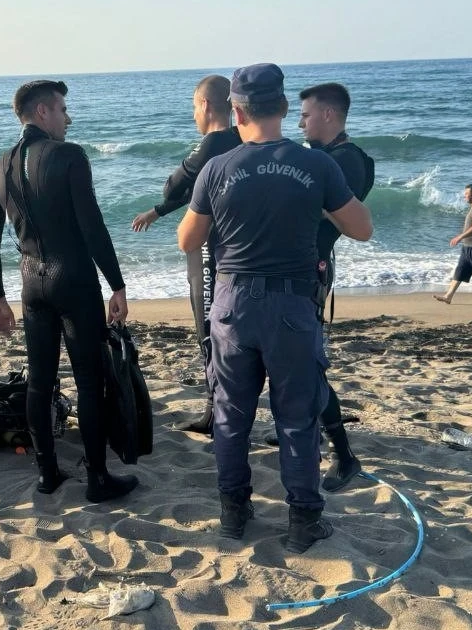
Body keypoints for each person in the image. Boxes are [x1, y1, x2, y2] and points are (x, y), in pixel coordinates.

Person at [177, 64, 372, 552]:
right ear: (284, 108)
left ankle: (233, 512)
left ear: (237, 112)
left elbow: (188, 239)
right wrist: (314, 205)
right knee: (296, 417)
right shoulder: (317, 165)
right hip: (291, 302)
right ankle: (303, 519)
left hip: (233, 303)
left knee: (231, 415)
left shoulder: (217, 168)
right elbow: (362, 228)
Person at [0, 79, 139, 502]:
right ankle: (98, 479)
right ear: (43, 112)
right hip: (74, 278)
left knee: (40, 380)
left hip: (31, 283)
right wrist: (117, 284)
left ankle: (47, 473)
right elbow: (92, 226)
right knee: (88, 380)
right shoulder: (69, 155)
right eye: (63, 109)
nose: (68, 118)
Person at [131, 74, 241, 434]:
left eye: (194, 106)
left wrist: (165, 197)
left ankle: (214, 412)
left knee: (207, 328)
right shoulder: (244, 138)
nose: (194, 115)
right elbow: (196, 192)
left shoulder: (212, 143)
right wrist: (158, 212)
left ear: (206, 105)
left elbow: (175, 186)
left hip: (211, 249)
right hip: (242, 252)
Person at [293, 82, 373, 491]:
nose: (300, 123)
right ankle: (304, 433)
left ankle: (344, 456)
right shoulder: (322, 159)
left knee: (309, 366)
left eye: (305, 115)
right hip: (296, 270)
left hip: (311, 273)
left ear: (328, 114)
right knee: (294, 365)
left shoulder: (347, 161)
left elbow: (338, 214)